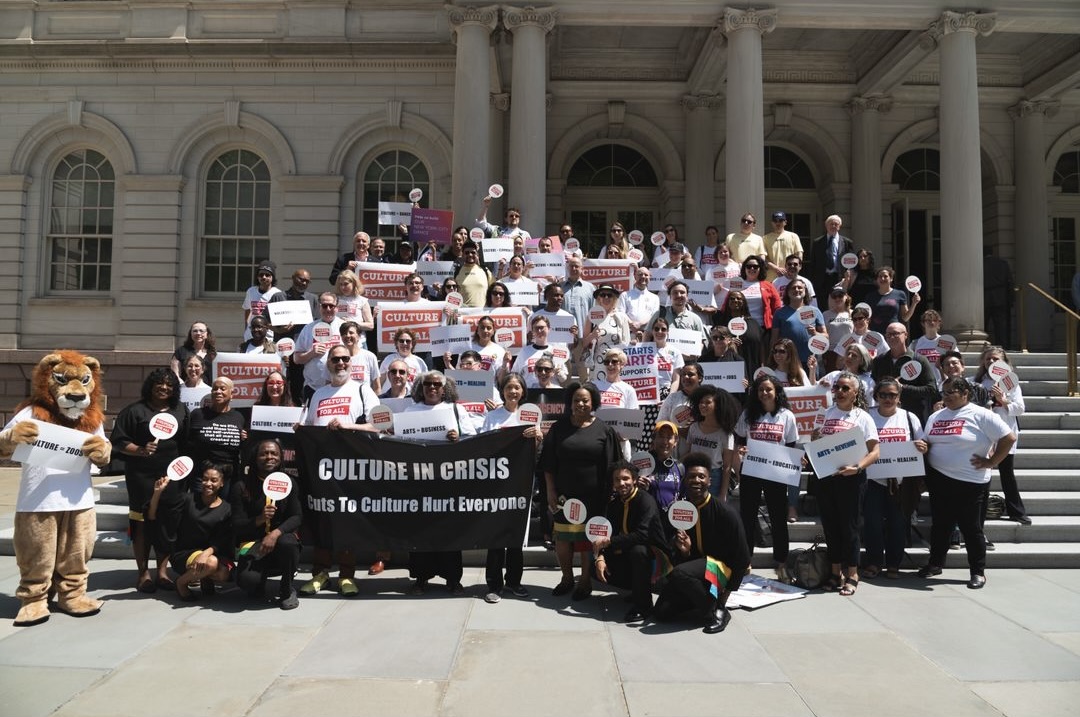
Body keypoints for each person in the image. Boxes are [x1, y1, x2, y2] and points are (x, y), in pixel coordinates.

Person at [298, 344, 380, 598]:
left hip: (350, 470)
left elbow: (383, 424)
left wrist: (349, 426)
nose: (341, 363)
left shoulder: (362, 390)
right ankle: (320, 573)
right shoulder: (317, 394)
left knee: (346, 523)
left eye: (345, 359)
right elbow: (310, 428)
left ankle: (346, 575)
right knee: (322, 521)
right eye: (336, 359)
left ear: (352, 363)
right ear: (328, 364)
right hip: (320, 470)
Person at [920, 376, 1016, 589]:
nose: (945, 397)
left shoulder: (981, 414)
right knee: (941, 526)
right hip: (939, 479)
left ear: (965, 393)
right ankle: (935, 563)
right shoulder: (936, 416)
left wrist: (992, 461)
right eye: (943, 393)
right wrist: (923, 446)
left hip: (970, 482)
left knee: (971, 528)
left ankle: (977, 571)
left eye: (951, 392)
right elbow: (928, 441)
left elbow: (1008, 438)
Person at [540, 382, 623, 600]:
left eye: (585, 400)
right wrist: (550, 491)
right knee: (563, 538)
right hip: (563, 496)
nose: (580, 404)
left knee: (588, 539)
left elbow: (614, 464)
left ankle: (585, 581)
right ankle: (567, 578)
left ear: (593, 402)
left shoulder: (604, 430)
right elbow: (548, 463)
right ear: (570, 402)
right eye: (576, 400)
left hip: (594, 497)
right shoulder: (559, 428)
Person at [652, 452, 750, 634]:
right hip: (697, 571)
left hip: (721, 570)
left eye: (701, 476)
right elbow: (681, 556)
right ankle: (702, 601)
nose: (696, 480)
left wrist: (724, 599)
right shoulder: (680, 512)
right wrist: (685, 552)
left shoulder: (725, 513)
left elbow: (742, 559)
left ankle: (715, 610)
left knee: (679, 573)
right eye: (691, 476)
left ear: (709, 481)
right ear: (684, 481)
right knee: (661, 612)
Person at [110, 368, 190, 592]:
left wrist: (183, 470)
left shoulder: (180, 410)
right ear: (151, 385)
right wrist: (141, 450)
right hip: (141, 477)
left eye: (169, 385)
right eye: (160, 383)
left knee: (167, 523)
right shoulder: (134, 411)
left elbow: (186, 444)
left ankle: (162, 572)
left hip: (172, 476)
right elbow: (118, 442)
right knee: (141, 522)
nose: (164, 388)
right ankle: (143, 573)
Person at [403, 371, 477, 595]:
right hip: (419, 482)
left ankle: (453, 579)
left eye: (437, 384)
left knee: (450, 531)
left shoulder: (456, 410)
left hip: (449, 482)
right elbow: (399, 443)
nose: (432, 388)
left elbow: (473, 438)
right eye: (428, 384)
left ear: (444, 388)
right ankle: (421, 579)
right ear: (420, 387)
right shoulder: (410, 410)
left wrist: (459, 438)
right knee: (419, 532)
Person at [812, 371, 880, 596]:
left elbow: (875, 452)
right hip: (827, 479)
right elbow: (816, 442)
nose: (839, 392)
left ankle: (852, 573)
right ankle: (834, 572)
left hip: (851, 480)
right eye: (837, 388)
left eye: (845, 388)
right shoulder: (824, 413)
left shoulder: (863, 417)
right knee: (831, 526)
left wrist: (858, 468)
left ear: (855, 392)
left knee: (849, 527)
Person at [480, 373, 541, 603]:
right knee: (496, 536)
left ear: (523, 391)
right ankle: (494, 585)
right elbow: (484, 445)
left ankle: (514, 581)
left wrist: (538, 436)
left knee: (516, 534)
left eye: (517, 387)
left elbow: (534, 452)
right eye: (508, 387)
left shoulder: (530, 415)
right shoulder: (493, 416)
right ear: (502, 390)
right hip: (496, 484)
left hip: (521, 482)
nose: (513, 391)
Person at [734, 374, 799, 581]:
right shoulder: (747, 414)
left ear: (776, 391)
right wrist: (741, 449)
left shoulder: (787, 416)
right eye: (760, 390)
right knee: (747, 516)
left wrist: (795, 463)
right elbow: (739, 440)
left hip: (776, 473)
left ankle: (781, 561)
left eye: (768, 389)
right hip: (752, 470)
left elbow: (790, 446)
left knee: (778, 517)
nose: (764, 393)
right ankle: (745, 560)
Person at [591, 461, 670, 624]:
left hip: (656, 556)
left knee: (638, 551)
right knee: (595, 567)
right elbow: (609, 533)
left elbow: (642, 535)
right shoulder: (614, 504)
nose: (621, 483)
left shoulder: (645, 501)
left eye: (626, 478)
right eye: (617, 480)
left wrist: (608, 542)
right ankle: (636, 590)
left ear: (634, 480)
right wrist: (600, 557)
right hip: (629, 548)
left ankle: (644, 606)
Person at [866, 378, 928, 580]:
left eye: (892, 395)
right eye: (883, 394)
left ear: (899, 397)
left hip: (901, 482)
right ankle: (874, 562)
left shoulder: (910, 418)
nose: (887, 398)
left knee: (898, 524)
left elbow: (923, 442)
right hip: (873, 480)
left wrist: (922, 447)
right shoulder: (867, 416)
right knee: (873, 524)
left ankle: (894, 564)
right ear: (876, 396)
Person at [146, 462, 233, 602]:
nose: (208, 483)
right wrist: (157, 493)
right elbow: (155, 515)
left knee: (223, 573)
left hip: (211, 552)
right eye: (205, 479)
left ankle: (204, 576)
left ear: (222, 483)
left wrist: (206, 553)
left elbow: (223, 539)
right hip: (185, 552)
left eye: (214, 480)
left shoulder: (227, 508)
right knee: (211, 563)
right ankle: (181, 582)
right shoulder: (187, 499)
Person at [232, 438, 303, 609]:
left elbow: (297, 517)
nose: (269, 457)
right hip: (254, 544)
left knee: (288, 542)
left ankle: (287, 590)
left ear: (280, 458)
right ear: (255, 458)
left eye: (273, 453)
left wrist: (275, 533)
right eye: (263, 454)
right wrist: (259, 520)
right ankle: (258, 581)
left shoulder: (289, 483)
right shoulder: (242, 486)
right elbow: (236, 524)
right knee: (247, 582)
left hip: (280, 542)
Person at [974, 346, 1029, 525]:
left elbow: (1020, 408)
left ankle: (1016, 511)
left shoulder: (1011, 382)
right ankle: (979, 511)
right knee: (983, 473)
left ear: (1004, 362)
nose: (991, 362)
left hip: (1005, 432)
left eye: (995, 359)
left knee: (1007, 473)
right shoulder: (977, 381)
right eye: (988, 359)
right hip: (984, 432)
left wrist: (1004, 400)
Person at [871, 322, 939, 423]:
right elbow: (874, 389)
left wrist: (903, 387)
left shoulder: (919, 360)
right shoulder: (879, 361)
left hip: (914, 417)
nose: (891, 337)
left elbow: (931, 390)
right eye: (888, 335)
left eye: (895, 334)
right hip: (885, 418)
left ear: (906, 335)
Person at [681, 385, 740, 500]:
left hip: (713, 477)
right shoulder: (694, 428)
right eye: (701, 402)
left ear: (718, 406)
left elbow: (727, 466)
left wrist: (723, 493)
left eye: (708, 402)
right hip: (691, 473)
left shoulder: (725, 434)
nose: (703, 405)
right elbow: (688, 452)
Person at [187, 376, 246, 484]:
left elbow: (242, 446)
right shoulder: (198, 414)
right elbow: (186, 441)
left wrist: (244, 439)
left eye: (223, 389)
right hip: (202, 477)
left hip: (228, 476)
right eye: (215, 389)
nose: (218, 391)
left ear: (231, 394)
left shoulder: (239, 417)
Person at [293, 292, 344, 400]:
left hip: (339, 388)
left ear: (337, 308)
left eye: (331, 306)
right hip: (313, 388)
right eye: (325, 306)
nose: (328, 309)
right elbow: (297, 359)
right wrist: (311, 353)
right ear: (319, 307)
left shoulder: (344, 327)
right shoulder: (308, 328)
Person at [646, 281, 708, 361]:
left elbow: (701, 341)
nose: (679, 295)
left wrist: (696, 353)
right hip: (662, 362)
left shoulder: (695, 319)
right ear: (670, 296)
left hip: (687, 363)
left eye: (682, 292)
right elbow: (647, 334)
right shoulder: (660, 314)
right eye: (675, 293)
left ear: (687, 296)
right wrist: (646, 354)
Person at [770, 278, 825, 366]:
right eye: (793, 288)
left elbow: (826, 336)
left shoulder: (815, 311)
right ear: (787, 292)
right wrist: (773, 358)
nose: (796, 290)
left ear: (805, 291)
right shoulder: (779, 313)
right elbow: (774, 339)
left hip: (810, 360)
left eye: (800, 288)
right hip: (787, 360)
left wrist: (815, 333)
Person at [584, 284, 631, 380]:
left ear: (614, 298)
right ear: (598, 298)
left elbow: (627, 343)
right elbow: (584, 343)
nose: (606, 297)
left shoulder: (621, 317)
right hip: (598, 364)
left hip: (616, 364)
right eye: (603, 294)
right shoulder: (591, 316)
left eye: (609, 295)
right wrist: (592, 335)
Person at [717, 289, 764, 377]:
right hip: (728, 370)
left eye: (739, 298)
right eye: (732, 298)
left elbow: (761, 346)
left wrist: (763, 364)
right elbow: (713, 345)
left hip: (751, 366)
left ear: (744, 302)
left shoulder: (753, 323)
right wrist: (728, 343)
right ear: (727, 302)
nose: (735, 300)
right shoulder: (721, 323)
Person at [512, 315, 570, 385]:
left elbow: (563, 379)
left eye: (542, 328)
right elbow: (515, 374)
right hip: (530, 392)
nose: (539, 331)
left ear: (549, 329)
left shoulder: (556, 351)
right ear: (532, 330)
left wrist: (559, 373)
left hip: (551, 392)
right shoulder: (524, 351)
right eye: (536, 328)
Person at [639, 420, 683, 510]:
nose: (665, 441)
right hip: (648, 520)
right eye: (661, 436)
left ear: (675, 442)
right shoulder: (641, 464)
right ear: (653, 439)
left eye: (669, 437)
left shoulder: (680, 467)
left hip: (670, 521)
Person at [806, 214, 854, 296]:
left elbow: (851, 262)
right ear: (826, 225)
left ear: (839, 226)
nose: (833, 226)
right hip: (822, 280)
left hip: (839, 278)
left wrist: (847, 277)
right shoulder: (817, 242)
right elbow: (813, 263)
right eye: (831, 224)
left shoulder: (847, 242)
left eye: (836, 224)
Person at [868, 265, 919, 335]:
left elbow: (905, 318)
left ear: (891, 278)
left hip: (894, 334)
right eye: (880, 276)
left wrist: (914, 303)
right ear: (877, 280)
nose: (882, 278)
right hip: (875, 334)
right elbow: (867, 318)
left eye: (885, 276)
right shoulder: (870, 296)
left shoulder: (900, 294)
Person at [242, 261, 285, 340]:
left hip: (269, 337)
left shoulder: (277, 294)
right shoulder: (251, 291)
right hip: (251, 336)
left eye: (267, 275)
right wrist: (246, 328)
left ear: (272, 277)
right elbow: (247, 309)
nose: (264, 277)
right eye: (261, 275)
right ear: (257, 277)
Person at [332, 270, 374, 348]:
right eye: (341, 284)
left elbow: (370, 325)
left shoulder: (362, 300)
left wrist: (351, 323)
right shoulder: (335, 300)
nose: (343, 287)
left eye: (346, 284)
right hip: (339, 341)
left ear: (354, 283)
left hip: (359, 342)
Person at [560, 255, 596, 344]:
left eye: (576, 266)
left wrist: (591, 336)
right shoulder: (559, 287)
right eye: (571, 266)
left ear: (582, 269)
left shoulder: (590, 288)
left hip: (582, 337)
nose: (574, 268)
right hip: (561, 335)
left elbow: (594, 314)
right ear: (568, 268)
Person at [983, 247, 1014, 347]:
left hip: (984, 297)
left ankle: (983, 346)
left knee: (983, 326)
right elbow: (1010, 281)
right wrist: (1011, 299)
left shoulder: (980, 263)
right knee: (1001, 325)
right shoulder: (1002, 263)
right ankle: (1003, 347)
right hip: (1001, 298)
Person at [658, 362, 702, 430]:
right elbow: (660, 423)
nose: (686, 377)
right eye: (683, 374)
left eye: (690, 374)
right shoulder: (672, 398)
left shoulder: (706, 398)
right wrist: (679, 430)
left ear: (700, 378)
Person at [618, 265, 660, 336]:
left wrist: (640, 324)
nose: (643, 276)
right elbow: (621, 313)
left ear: (650, 277)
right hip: (628, 333)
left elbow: (654, 316)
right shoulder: (625, 295)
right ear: (635, 277)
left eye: (646, 275)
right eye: (640, 274)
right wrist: (632, 324)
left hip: (647, 335)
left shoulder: (655, 298)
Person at [763, 211, 803, 281]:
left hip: (790, 276)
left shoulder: (793, 236)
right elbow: (763, 258)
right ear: (772, 223)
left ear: (785, 222)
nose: (778, 223)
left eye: (781, 220)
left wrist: (794, 268)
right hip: (771, 277)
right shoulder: (765, 238)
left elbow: (799, 254)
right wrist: (776, 268)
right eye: (775, 221)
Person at [454, 240, 495, 308]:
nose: (470, 255)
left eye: (473, 252)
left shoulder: (485, 270)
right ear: (462, 254)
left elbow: (495, 289)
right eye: (467, 253)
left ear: (477, 255)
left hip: (482, 313)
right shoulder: (456, 271)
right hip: (463, 314)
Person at [910, 310, 946, 383]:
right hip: (922, 384)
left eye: (935, 320)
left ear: (939, 323)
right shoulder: (915, 343)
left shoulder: (946, 342)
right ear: (923, 323)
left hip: (942, 384)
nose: (932, 322)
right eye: (928, 320)